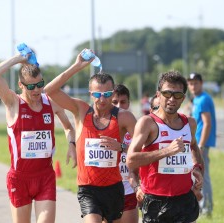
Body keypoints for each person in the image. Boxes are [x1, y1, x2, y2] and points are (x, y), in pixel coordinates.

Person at [44, 50, 137, 223]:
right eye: (97, 94)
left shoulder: (124, 117)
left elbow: (144, 146)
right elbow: (49, 90)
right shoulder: (81, 110)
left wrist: (122, 148)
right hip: (88, 189)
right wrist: (77, 66)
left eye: (108, 94)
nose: (102, 99)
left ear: (113, 93)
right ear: (90, 93)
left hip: (114, 188)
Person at [0, 52, 76, 223]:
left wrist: (71, 144)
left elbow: (68, 127)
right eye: (31, 86)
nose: (37, 90)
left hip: (45, 176)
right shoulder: (13, 103)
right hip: (20, 178)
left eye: (40, 84)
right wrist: (17, 59)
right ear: (21, 85)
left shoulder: (51, 102)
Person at [127, 70, 204, 223]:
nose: (171, 99)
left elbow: (194, 147)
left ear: (183, 98)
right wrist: (167, 151)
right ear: (158, 94)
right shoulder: (148, 123)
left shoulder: (189, 123)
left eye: (178, 95)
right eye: (167, 94)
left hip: (185, 199)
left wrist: (197, 168)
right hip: (156, 201)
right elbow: (131, 160)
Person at [187, 72, 216, 217]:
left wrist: (202, 145)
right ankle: (201, 205)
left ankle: (207, 208)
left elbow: (207, 123)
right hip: (196, 143)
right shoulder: (196, 99)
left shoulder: (203, 99)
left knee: (203, 176)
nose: (192, 86)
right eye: (190, 83)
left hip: (200, 144)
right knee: (197, 175)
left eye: (195, 83)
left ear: (201, 83)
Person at [111, 84, 138, 223]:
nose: (119, 106)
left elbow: (144, 152)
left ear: (129, 103)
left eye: (123, 102)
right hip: (107, 190)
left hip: (129, 188)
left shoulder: (137, 127)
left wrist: (122, 147)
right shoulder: (102, 126)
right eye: (114, 102)